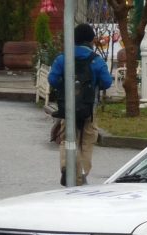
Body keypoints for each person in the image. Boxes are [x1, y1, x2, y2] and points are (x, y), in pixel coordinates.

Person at [48, 23, 113, 187]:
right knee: (86, 141)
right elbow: (107, 82)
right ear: (91, 40)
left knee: (67, 138)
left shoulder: (63, 58)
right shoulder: (96, 60)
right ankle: (80, 174)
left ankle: (66, 166)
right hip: (88, 109)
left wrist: (65, 87)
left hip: (68, 108)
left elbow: (52, 79)